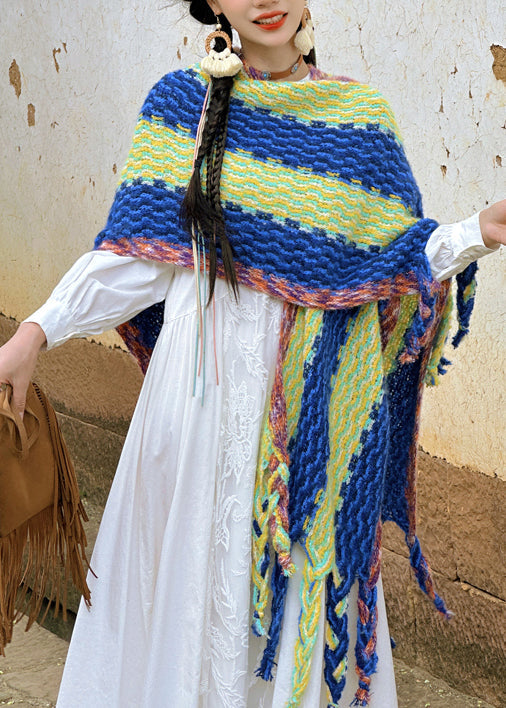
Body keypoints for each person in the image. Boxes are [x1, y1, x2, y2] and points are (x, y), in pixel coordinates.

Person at [0, 1, 504, 706]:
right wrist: (35, 333)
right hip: (190, 421)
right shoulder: (182, 106)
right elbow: (132, 262)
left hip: (305, 432)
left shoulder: (359, 123)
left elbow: (390, 263)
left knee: (286, 608)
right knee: (176, 601)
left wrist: (475, 232)